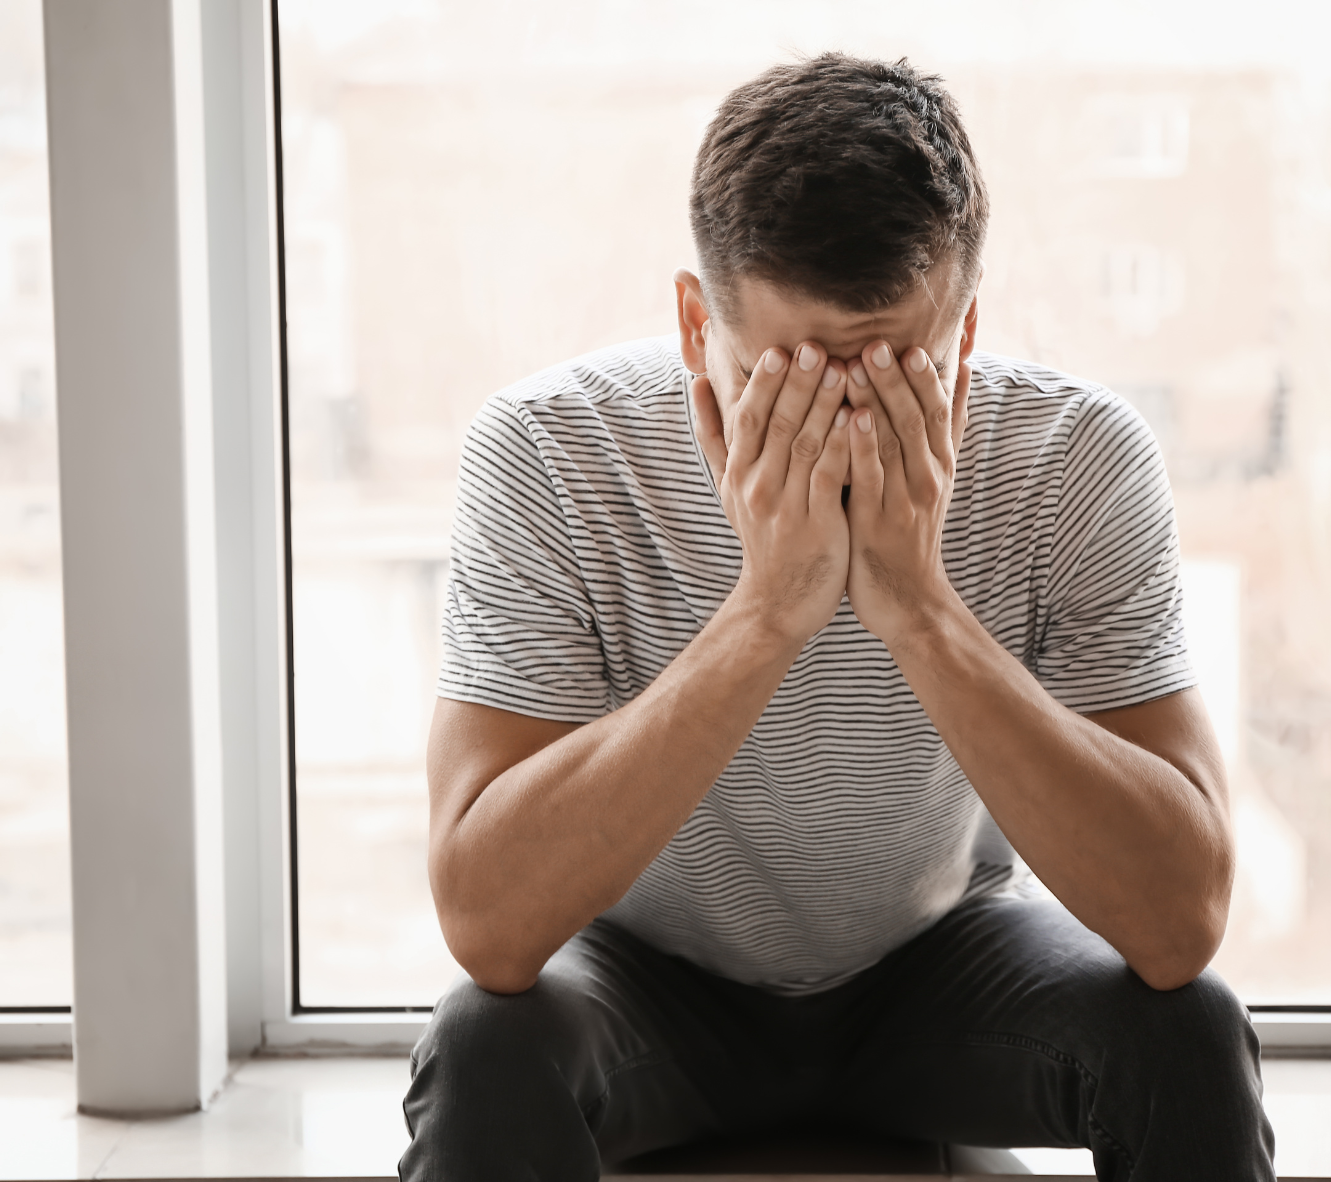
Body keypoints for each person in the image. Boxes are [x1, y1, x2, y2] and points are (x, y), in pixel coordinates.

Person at [398, 53, 1276, 1182]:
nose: (844, 430)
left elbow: (1178, 917)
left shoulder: (1074, 457)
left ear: (963, 338)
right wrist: (767, 612)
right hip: (644, 977)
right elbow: (489, 923)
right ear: (691, 321)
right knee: (481, 1047)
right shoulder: (553, 452)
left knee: (1188, 1031)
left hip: (941, 963)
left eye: (895, 371)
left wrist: (918, 607)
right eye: (794, 377)